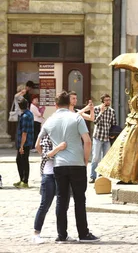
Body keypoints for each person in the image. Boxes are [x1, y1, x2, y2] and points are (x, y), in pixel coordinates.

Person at [39, 90, 99, 243]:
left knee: (61, 199)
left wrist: (51, 154)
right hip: (77, 163)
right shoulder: (76, 118)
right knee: (79, 199)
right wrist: (86, 160)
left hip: (59, 165)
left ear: (56, 104)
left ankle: (62, 235)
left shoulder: (50, 120)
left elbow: (38, 144)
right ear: (70, 103)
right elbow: (87, 141)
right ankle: (83, 234)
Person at [32, 136, 67, 244]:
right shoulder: (48, 136)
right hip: (49, 174)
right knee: (45, 205)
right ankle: (36, 233)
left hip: (61, 173)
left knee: (62, 205)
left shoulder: (64, 136)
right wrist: (59, 149)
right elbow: (46, 155)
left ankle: (62, 234)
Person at [89, 94, 117, 184]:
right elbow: (95, 121)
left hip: (107, 138)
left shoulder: (112, 111)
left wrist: (113, 134)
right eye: (106, 100)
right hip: (98, 136)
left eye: (109, 100)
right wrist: (101, 112)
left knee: (105, 158)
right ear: (102, 101)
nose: (108, 102)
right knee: (95, 157)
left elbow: (114, 124)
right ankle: (92, 176)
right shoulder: (97, 109)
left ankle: (101, 176)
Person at [15, 96, 34, 188]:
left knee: (23, 161)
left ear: (19, 106)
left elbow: (24, 133)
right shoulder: (28, 113)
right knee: (20, 160)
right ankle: (22, 179)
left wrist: (21, 146)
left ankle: (25, 181)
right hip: (26, 141)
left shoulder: (25, 116)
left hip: (25, 143)